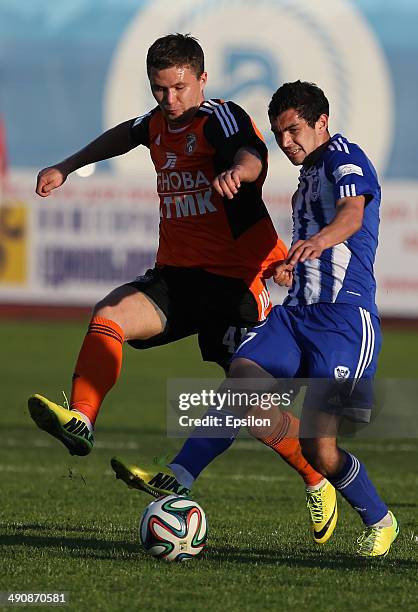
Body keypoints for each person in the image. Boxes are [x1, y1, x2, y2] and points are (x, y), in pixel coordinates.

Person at [28, 35, 337, 544]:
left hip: (238, 281)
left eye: (178, 88)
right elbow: (121, 136)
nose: (169, 100)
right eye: (159, 89)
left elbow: (251, 152)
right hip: (178, 276)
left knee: (251, 405)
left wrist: (239, 172)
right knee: (110, 314)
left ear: (201, 80)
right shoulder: (156, 123)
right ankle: (81, 419)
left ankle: (313, 475)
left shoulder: (218, 115)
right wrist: (66, 166)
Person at [117, 79, 400, 557]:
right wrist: (293, 262)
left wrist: (321, 241)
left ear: (321, 123)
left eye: (293, 131)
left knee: (319, 449)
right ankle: (179, 477)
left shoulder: (343, 157)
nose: (286, 143)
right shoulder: (309, 173)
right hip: (295, 317)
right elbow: (318, 233)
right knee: (241, 382)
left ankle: (380, 519)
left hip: (345, 323)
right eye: (278, 134)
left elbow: (353, 214)